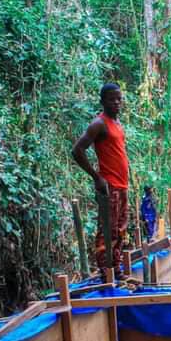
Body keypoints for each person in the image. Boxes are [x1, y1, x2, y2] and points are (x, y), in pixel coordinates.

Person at [72, 83, 130, 279]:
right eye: (111, 99)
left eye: (118, 99)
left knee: (120, 228)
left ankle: (116, 268)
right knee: (108, 227)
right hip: (110, 185)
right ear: (102, 101)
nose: (116, 102)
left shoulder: (118, 125)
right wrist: (97, 177)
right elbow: (77, 150)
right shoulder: (99, 124)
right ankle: (106, 271)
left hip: (122, 185)